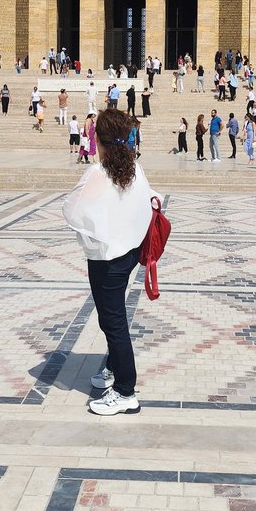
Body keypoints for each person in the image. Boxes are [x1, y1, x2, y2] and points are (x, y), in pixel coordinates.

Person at [63, 108, 160, 415]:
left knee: (113, 321)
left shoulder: (98, 173)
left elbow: (72, 210)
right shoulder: (134, 167)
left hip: (107, 258)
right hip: (129, 252)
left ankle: (125, 391)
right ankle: (114, 368)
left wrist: (100, 226)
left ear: (98, 139)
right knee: (111, 317)